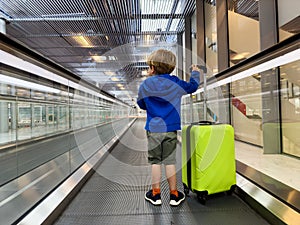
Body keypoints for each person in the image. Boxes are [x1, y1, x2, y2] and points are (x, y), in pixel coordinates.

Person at [137, 49, 200, 206]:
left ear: (153, 67)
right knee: (169, 161)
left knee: (155, 162)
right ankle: (174, 195)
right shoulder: (175, 82)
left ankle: (156, 195)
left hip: (153, 129)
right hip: (170, 129)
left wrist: (151, 106)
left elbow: (141, 104)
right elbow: (193, 87)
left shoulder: (146, 84)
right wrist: (195, 73)